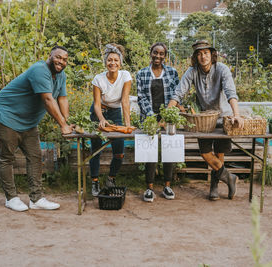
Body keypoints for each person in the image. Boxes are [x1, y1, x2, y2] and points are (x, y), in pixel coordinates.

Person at [0, 45, 74, 211]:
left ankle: (37, 199)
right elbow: (48, 100)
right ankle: (11, 198)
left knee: (35, 157)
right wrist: (62, 125)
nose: (61, 61)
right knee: (7, 157)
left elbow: (62, 98)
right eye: (58, 57)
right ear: (50, 56)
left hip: (28, 122)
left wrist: (67, 122)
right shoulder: (39, 70)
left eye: (64, 59)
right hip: (5, 114)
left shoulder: (61, 75)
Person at [168, 40, 245, 201]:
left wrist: (236, 114)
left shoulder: (222, 69)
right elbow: (179, 92)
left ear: (212, 55)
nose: (203, 56)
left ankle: (214, 186)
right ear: (195, 57)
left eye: (206, 53)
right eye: (199, 54)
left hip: (223, 117)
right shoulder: (192, 71)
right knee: (205, 153)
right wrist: (169, 110)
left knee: (219, 153)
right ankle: (229, 177)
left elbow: (231, 92)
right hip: (204, 120)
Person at [136, 42, 180, 202]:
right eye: (155, 52)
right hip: (149, 119)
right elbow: (141, 98)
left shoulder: (172, 73)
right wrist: (153, 118)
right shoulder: (142, 74)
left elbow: (177, 94)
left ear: (165, 56)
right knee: (150, 152)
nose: (158, 56)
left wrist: (165, 116)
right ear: (151, 53)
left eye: (161, 54)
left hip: (169, 119)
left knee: (170, 150)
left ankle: (167, 186)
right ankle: (149, 188)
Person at [90, 43, 131, 196]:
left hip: (115, 113)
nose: (112, 63)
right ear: (105, 62)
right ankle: (94, 182)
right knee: (95, 150)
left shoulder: (125, 76)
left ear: (120, 63)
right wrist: (100, 118)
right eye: (109, 60)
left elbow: (125, 100)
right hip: (98, 112)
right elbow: (96, 103)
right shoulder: (98, 79)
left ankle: (111, 178)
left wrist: (127, 124)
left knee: (119, 151)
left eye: (115, 60)